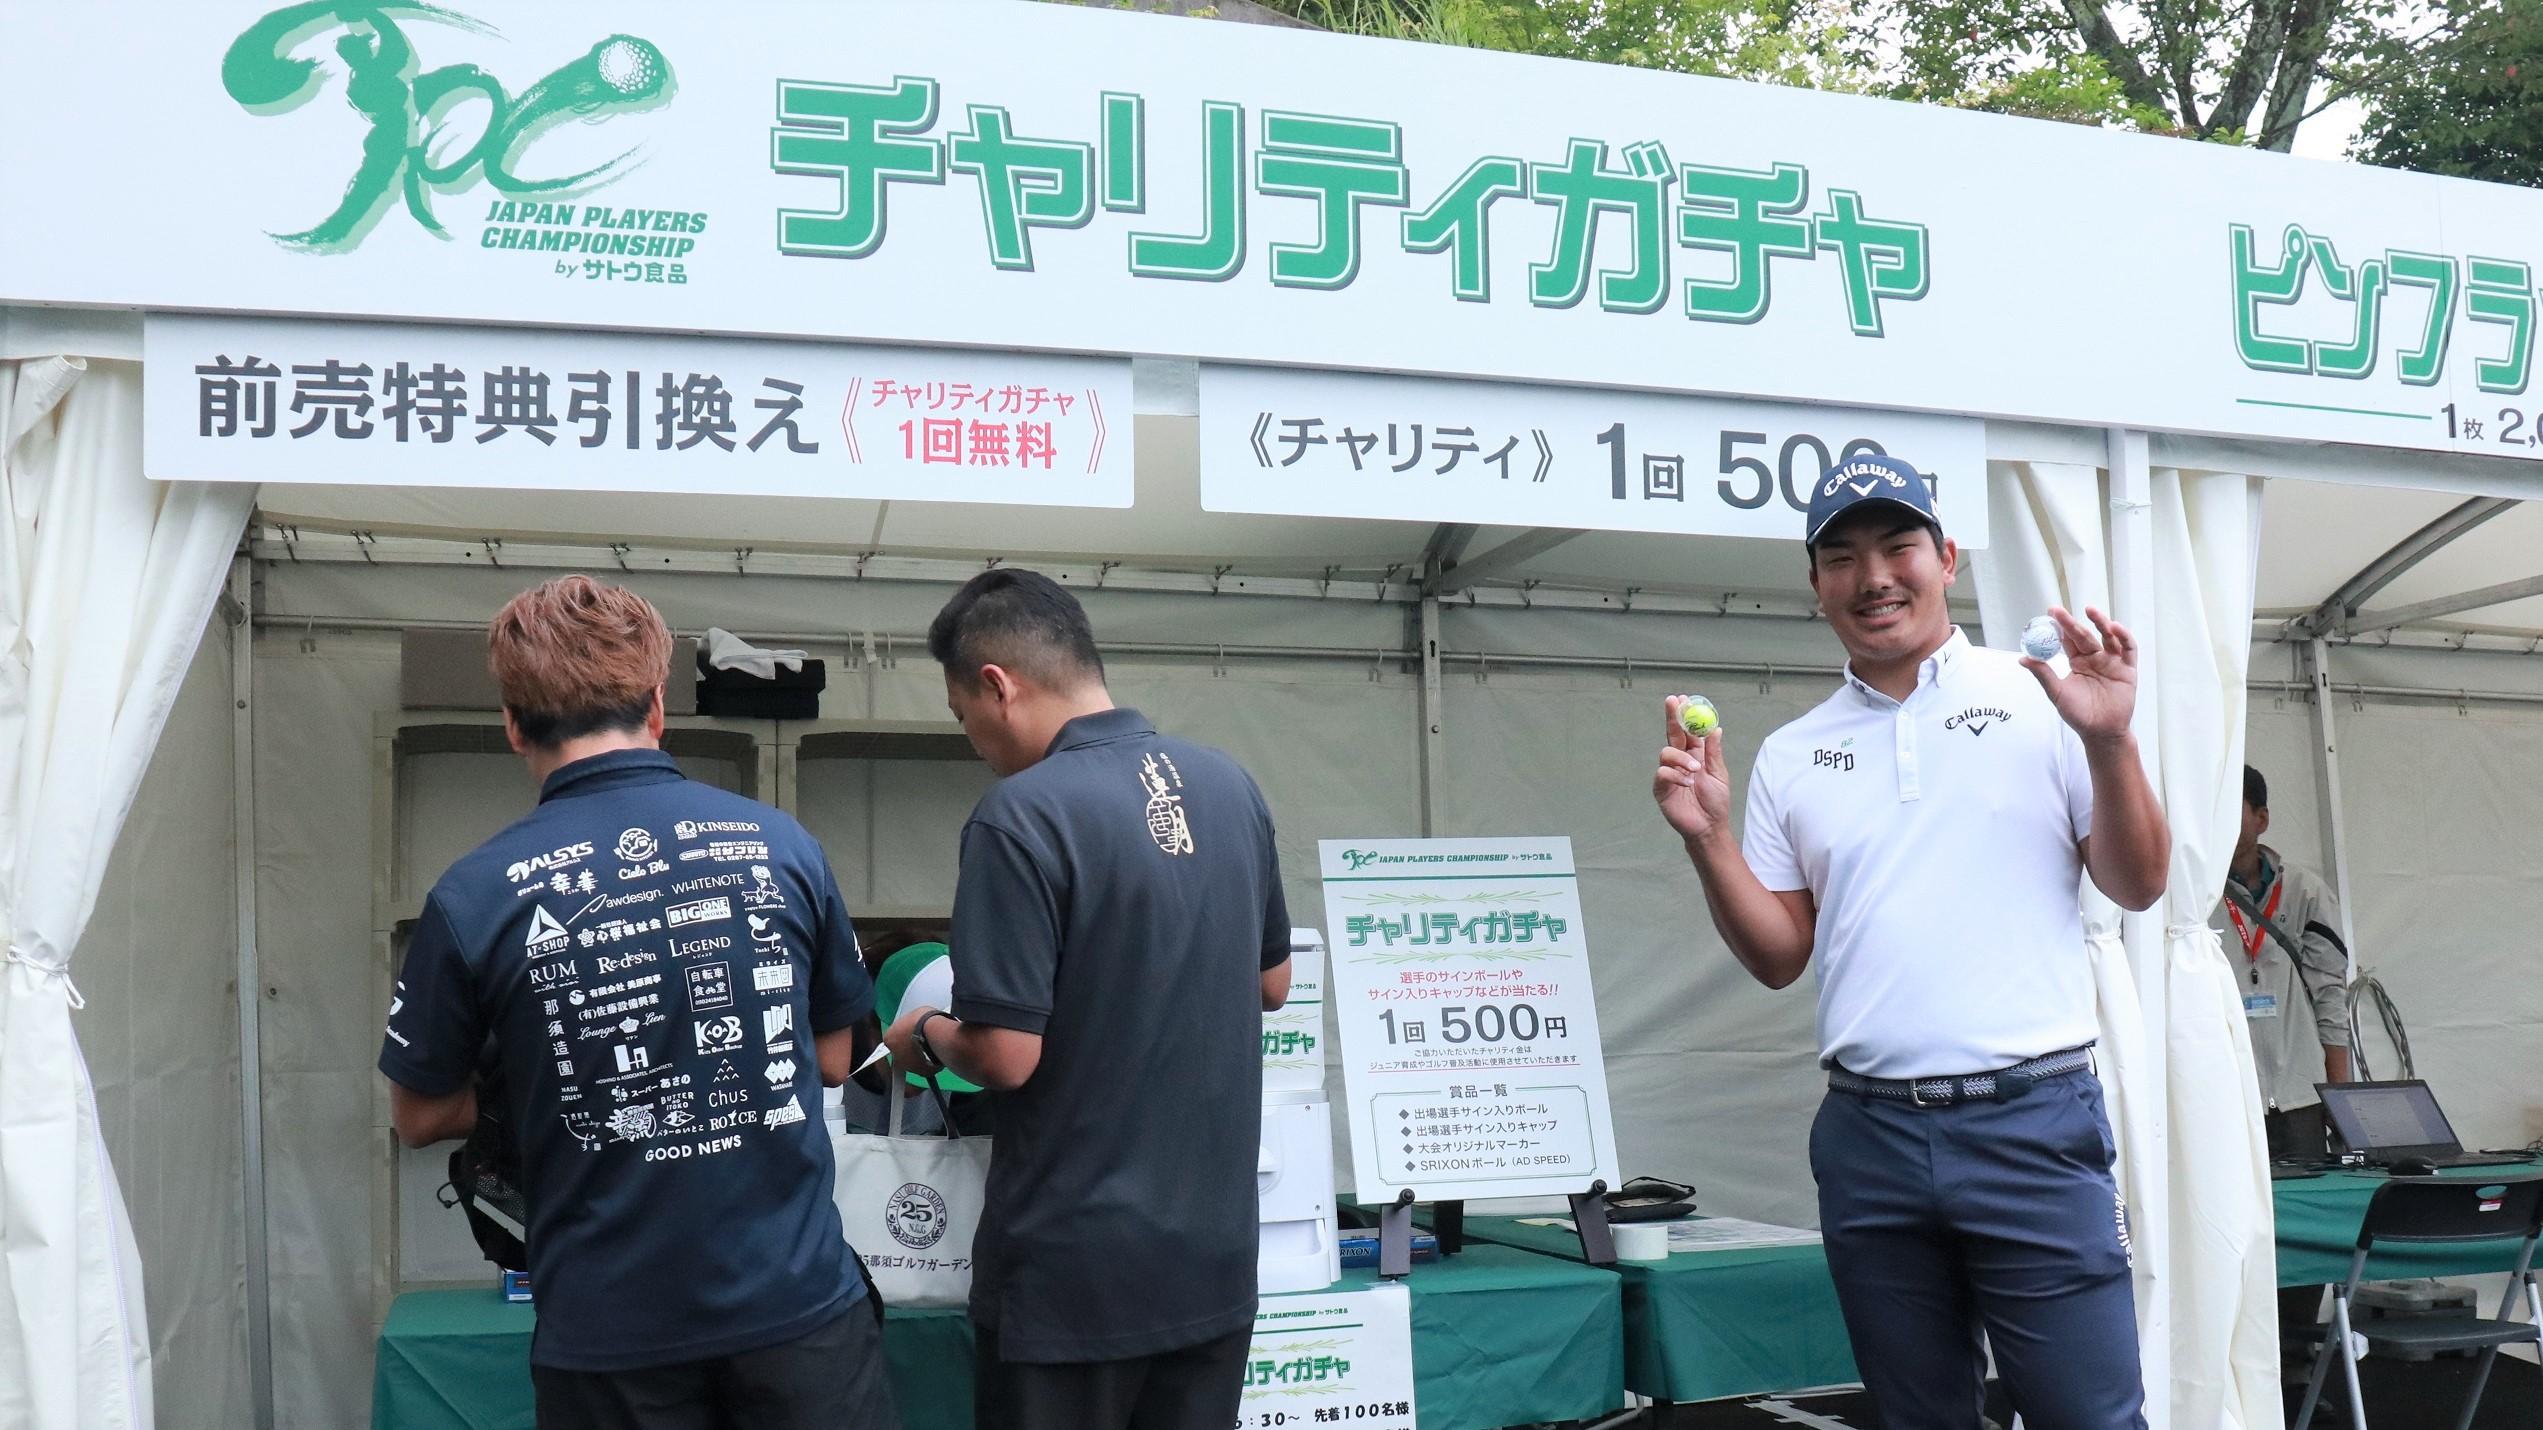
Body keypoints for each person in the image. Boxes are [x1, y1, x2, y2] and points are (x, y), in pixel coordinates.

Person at [1651, 454, 2170, 1430]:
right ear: (1814, 585)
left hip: (2031, 1118)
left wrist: (2109, 739)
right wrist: (1707, 836)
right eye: (1840, 556)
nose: (1872, 576)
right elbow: (1776, 954)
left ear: (1947, 556)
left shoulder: (2044, 697)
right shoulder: (1794, 751)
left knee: (2088, 1415)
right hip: (1868, 1135)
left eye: (1897, 546)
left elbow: (2137, 881)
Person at [378, 575, 898, 1430]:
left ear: (513, 725)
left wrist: (546, 1083)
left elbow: (419, 1114)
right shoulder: (780, 846)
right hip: (798, 1313)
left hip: (609, 1335)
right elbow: (836, 1057)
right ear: (658, 704)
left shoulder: (474, 894)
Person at [882, 568, 1292, 1430]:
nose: (974, 743)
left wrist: (924, 1031)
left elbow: (1004, 1055)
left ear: (997, 685)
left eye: (963, 719)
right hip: (1213, 1254)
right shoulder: (1229, 784)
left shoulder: (1020, 815)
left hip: (1075, 1271)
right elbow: (1273, 983)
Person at [2217, 765, 2352, 1159]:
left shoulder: (2304, 891)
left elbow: (2330, 994)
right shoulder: (2191, 894)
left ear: (2262, 819)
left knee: (2305, 1208)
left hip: (2300, 1094)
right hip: (2226, 1094)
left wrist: (2338, 1098)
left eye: (2230, 805)